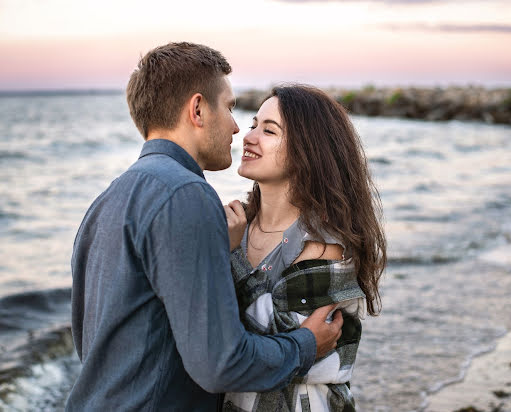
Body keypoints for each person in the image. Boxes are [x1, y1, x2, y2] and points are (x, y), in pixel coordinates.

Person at [67, 43, 343, 411]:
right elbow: (221, 364)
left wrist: (221, 252)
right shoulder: (186, 195)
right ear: (197, 109)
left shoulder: (106, 201)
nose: (235, 127)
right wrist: (305, 344)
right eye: (229, 107)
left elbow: (91, 342)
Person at [222, 85, 387, 411]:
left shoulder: (324, 242)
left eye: (269, 131)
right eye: (254, 124)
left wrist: (230, 258)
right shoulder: (239, 225)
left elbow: (268, 343)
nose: (249, 136)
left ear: (306, 151)